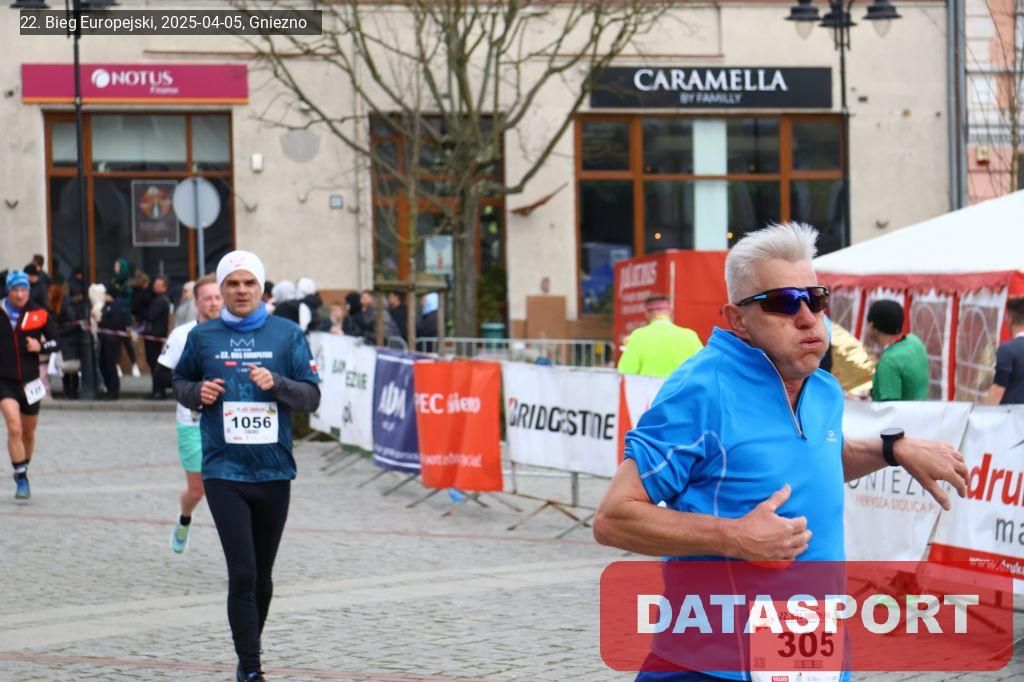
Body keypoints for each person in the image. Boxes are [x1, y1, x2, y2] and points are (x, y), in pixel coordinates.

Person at [592, 223, 968, 681]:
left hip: (813, 655)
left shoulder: (822, 387)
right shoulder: (701, 389)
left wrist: (892, 449)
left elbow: (814, 459)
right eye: (783, 302)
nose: (807, 317)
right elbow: (613, 517)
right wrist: (733, 537)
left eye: (815, 299)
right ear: (738, 319)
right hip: (713, 661)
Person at [173, 251, 320, 682]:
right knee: (242, 571)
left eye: (249, 283)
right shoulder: (203, 337)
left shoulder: (286, 334)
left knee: (262, 577)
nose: (241, 291)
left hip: (274, 471)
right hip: (224, 471)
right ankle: (252, 669)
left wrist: (278, 384)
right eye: (232, 284)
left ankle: (246, 652)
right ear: (221, 289)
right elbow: (180, 382)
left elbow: (312, 396)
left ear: (260, 288)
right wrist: (198, 392)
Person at [159, 274, 222, 553]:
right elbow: (163, 375)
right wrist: (195, 387)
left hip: (227, 423)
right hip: (192, 421)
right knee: (198, 490)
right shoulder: (182, 335)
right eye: (207, 298)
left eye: (218, 297)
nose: (214, 303)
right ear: (197, 303)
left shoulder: (235, 332)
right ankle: (184, 518)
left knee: (228, 487)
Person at [0, 270, 60, 499]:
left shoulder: (39, 313)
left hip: (31, 382)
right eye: (15, 289)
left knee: (28, 432)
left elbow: (57, 341)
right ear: (8, 291)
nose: (19, 294)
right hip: (4, 381)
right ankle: (21, 476)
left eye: (23, 289)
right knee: (14, 427)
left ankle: (23, 465)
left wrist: (40, 347)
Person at [616, 294, 703, 378]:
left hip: (649, 388)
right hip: (682, 388)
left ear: (647, 313)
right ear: (670, 311)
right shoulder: (690, 335)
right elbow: (703, 368)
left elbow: (625, 372)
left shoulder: (638, 336)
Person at [866, 299, 930, 401]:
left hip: (905, 411)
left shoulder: (888, 362)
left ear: (873, 326)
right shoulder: (914, 341)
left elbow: (890, 406)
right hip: (921, 406)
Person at [55, 268, 87, 400]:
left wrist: (60, 330)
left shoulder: (64, 304)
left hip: (68, 339)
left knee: (68, 368)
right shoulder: (68, 304)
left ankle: (69, 391)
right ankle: (72, 391)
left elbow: (71, 321)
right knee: (70, 368)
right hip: (70, 339)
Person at [107, 258, 140, 379]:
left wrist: (115, 300)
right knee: (115, 342)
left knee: (127, 341)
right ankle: (117, 366)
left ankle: (134, 365)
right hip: (114, 315)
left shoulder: (128, 282)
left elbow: (128, 299)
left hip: (124, 315)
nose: (115, 269)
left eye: (117, 267)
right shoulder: (113, 280)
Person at [988, 296, 1024, 404]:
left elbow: (999, 388)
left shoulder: (1007, 349)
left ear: (1009, 319)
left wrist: (986, 411)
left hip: (1012, 412)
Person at [142, 276, 172, 400]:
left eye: (158, 284)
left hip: (155, 336)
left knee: (155, 364)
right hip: (153, 335)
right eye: (155, 283)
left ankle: (159, 391)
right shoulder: (158, 299)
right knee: (153, 364)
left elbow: (150, 315)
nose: (155, 286)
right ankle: (156, 390)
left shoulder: (161, 301)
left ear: (164, 287)